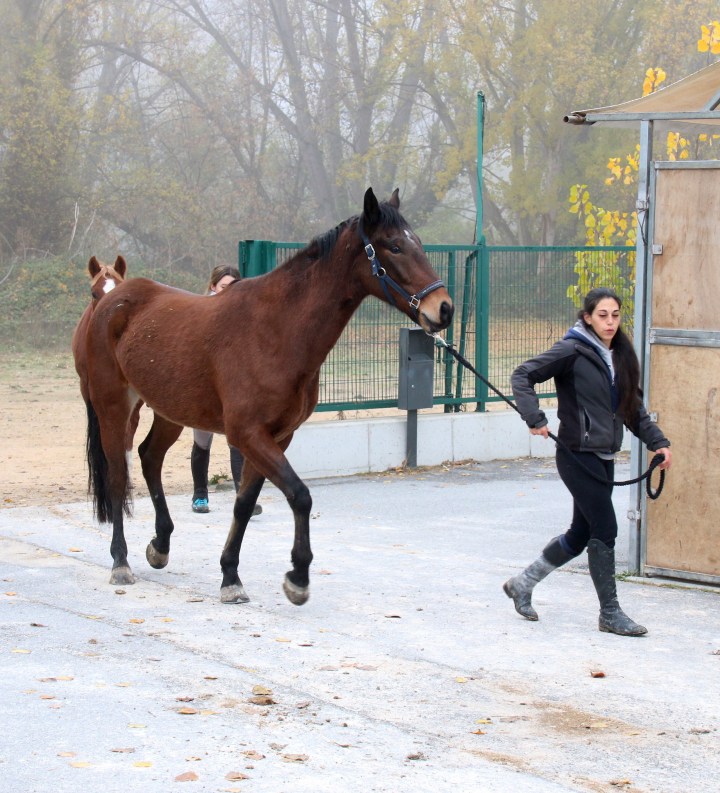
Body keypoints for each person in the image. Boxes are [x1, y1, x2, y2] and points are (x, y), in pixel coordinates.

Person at [504, 287, 671, 636]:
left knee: (581, 533)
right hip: (576, 455)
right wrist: (534, 417)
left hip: (604, 455)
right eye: (602, 315)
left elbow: (632, 410)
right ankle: (610, 613)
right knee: (605, 528)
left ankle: (522, 583)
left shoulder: (620, 355)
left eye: (615, 315)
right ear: (588, 317)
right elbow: (523, 375)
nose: (610, 322)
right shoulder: (572, 350)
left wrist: (658, 443)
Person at [190, 265, 262, 517]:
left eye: (233, 287)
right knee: (202, 441)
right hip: (204, 390)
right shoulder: (200, 311)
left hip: (232, 389)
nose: (228, 292)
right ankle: (200, 495)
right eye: (223, 287)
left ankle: (243, 497)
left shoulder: (242, 315)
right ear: (212, 287)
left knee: (238, 441)